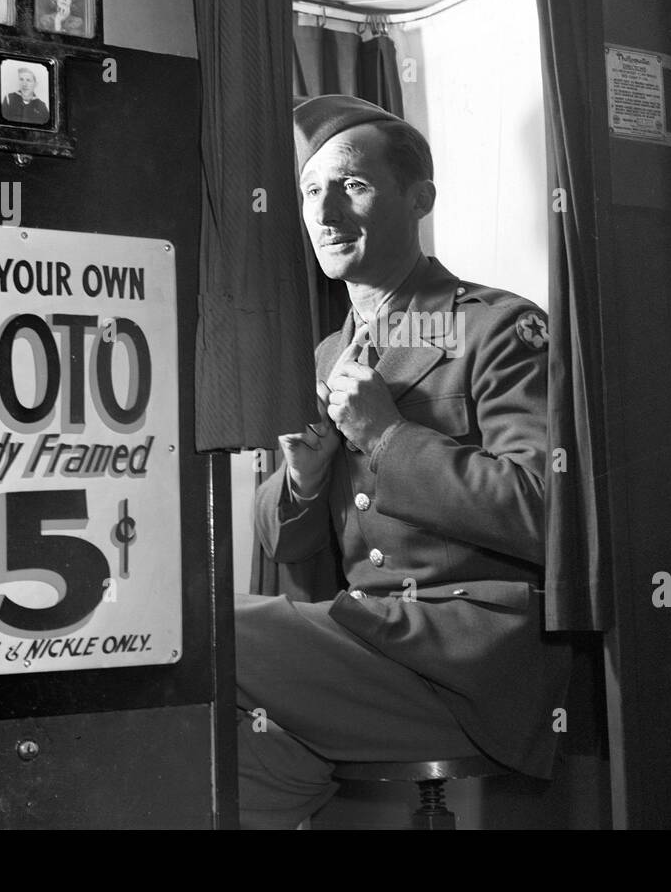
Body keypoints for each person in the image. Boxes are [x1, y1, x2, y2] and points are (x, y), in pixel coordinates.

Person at [235, 94, 571, 829]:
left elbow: (546, 509)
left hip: (466, 660)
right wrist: (305, 478)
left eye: (352, 186)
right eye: (309, 192)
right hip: (371, 637)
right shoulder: (327, 353)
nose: (324, 213)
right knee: (217, 768)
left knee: (210, 632)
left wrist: (387, 439)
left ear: (420, 199)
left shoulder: (501, 327)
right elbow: (286, 542)